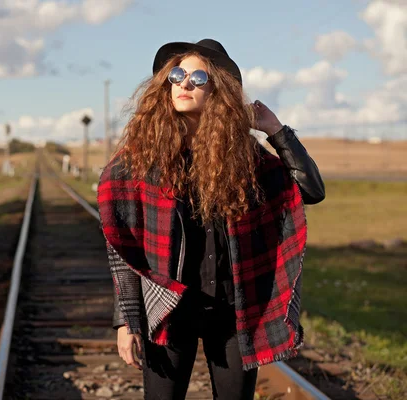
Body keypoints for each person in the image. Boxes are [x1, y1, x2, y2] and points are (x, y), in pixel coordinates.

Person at [97, 39, 325, 400]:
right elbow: (122, 247)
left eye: (197, 77)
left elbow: (311, 190)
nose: (184, 84)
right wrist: (127, 319)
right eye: (176, 74)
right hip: (167, 306)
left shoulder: (244, 157)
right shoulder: (140, 159)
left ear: (218, 88)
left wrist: (276, 131)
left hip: (233, 310)